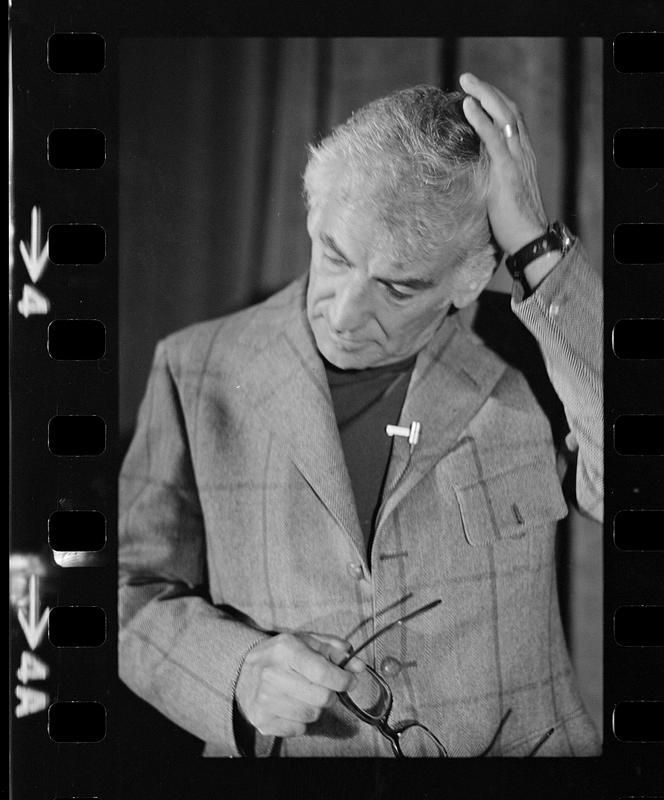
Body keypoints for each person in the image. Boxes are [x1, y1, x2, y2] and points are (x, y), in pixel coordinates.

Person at [118, 72, 603, 758]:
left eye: (400, 287)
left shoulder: (535, 354)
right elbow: (122, 589)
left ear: (468, 279)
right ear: (314, 217)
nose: (344, 314)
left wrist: (537, 250)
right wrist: (235, 671)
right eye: (335, 257)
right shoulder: (196, 369)